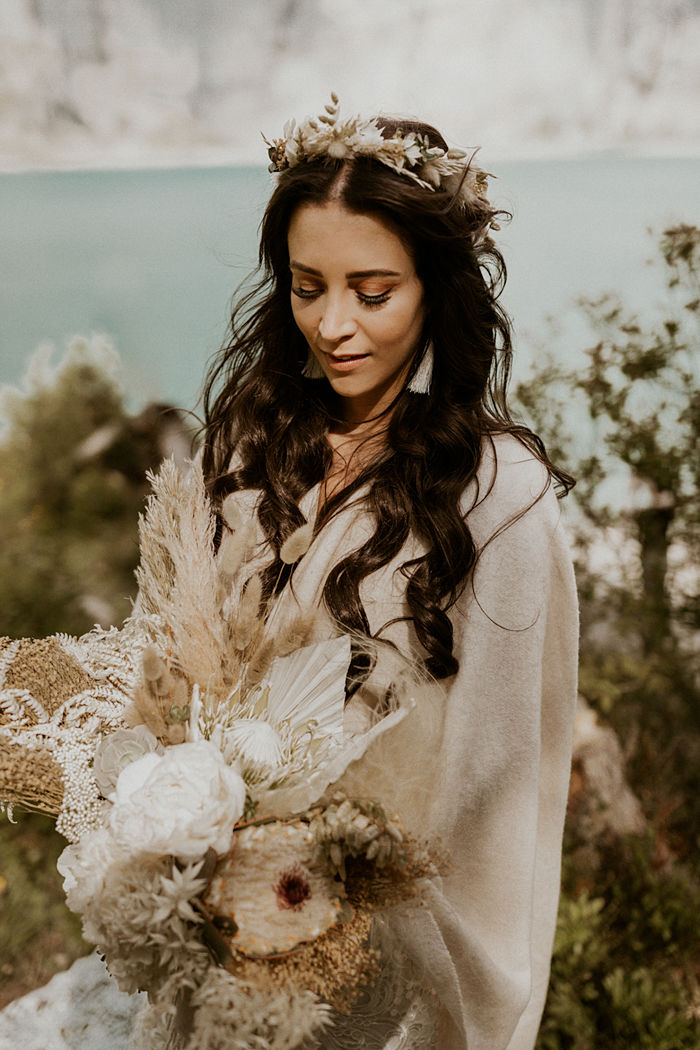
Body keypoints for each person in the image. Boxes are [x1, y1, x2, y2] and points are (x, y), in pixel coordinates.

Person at [196, 97, 579, 1050]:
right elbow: (181, 664)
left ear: (434, 290)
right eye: (306, 286)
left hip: (386, 965)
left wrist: (340, 904)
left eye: (373, 293)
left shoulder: (499, 494)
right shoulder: (251, 445)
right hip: (216, 915)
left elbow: (496, 781)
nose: (333, 326)